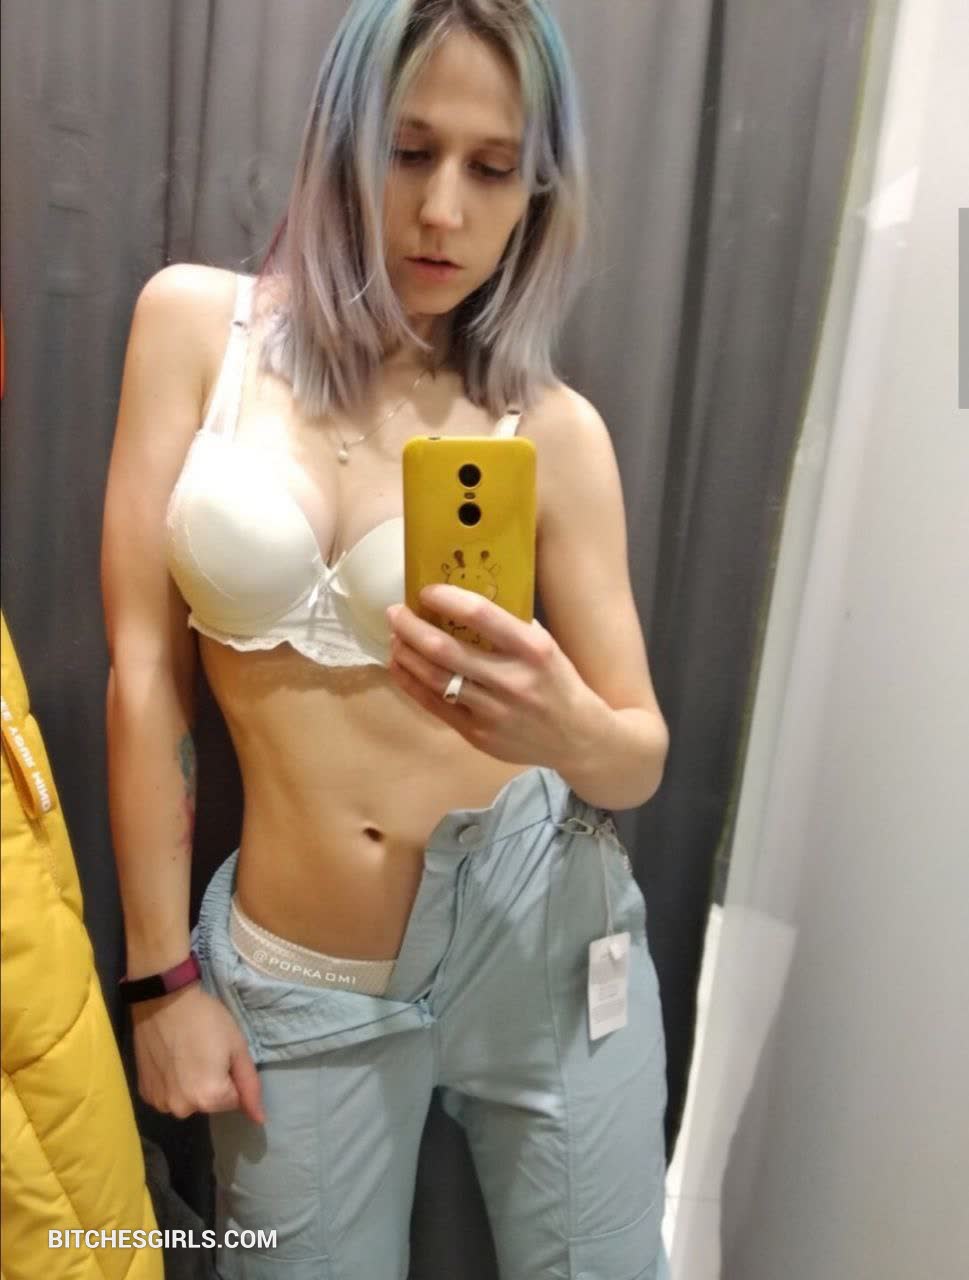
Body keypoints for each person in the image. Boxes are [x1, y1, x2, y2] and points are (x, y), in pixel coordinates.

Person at [101, 2, 670, 1277]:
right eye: (409, 151)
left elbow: (636, 757)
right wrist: (157, 979)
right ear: (340, 138)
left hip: (540, 931)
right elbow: (145, 673)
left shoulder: (551, 430)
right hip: (302, 970)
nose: (442, 212)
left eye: (493, 168)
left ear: (535, 194)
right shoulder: (195, 331)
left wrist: (564, 723)